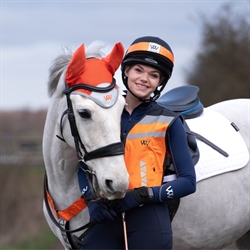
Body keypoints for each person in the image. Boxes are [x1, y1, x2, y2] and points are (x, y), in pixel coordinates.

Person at [79, 36, 196, 249]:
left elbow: (188, 181)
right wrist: (91, 201)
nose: (144, 79)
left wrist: (143, 195)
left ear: (160, 82)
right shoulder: (105, 114)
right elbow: (83, 162)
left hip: (149, 216)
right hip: (106, 214)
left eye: (154, 75)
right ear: (126, 71)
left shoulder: (170, 121)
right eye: (138, 70)